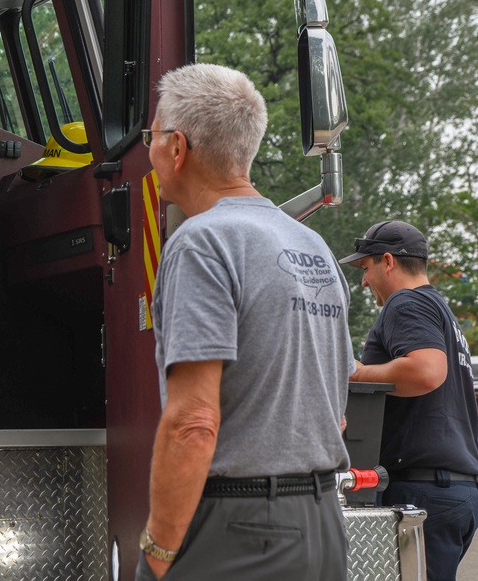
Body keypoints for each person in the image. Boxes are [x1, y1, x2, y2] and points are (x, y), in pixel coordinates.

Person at [137, 63, 354, 581]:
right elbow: (336, 410)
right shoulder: (313, 246)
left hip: (239, 530)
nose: (150, 148)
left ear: (176, 148)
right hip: (322, 525)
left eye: (152, 135)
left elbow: (193, 423)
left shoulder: (202, 244)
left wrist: (159, 552)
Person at [341, 220, 478, 581]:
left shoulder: (405, 303)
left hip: (423, 491)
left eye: (366, 268)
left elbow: (425, 372)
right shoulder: (439, 310)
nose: (363, 281)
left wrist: (356, 372)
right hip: (454, 489)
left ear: (387, 261)